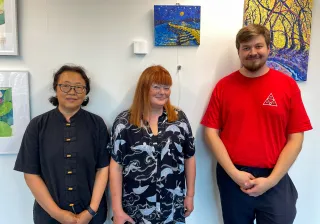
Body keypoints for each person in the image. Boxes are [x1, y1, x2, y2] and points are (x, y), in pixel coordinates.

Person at [201, 24, 312, 224]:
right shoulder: (224, 87)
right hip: (233, 177)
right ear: (239, 52)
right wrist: (234, 174)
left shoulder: (287, 86)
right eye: (246, 48)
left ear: (269, 48)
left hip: (275, 176)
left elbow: (296, 138)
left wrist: (271, 180)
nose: (253, 52)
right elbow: (210, 133)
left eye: (258, 46)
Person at [14, 65, 110, 224]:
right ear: (56, 88)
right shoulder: (37, 125)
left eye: (79, 87)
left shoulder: (97, 124)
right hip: (48, 216)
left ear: (86, 92)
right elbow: (31, 173)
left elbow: (103, 168)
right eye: (65, 86)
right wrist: (57, 214)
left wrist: (91, 211)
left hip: (91, 216)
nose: (72, 92)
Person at [109, 65, 196, 224]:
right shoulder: (124, 123)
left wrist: (190, 195)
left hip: (172, 206)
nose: (162, 92)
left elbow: (189, 157)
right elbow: (116, 167)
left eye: (166, 87)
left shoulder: (179, 120)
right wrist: (117, 210)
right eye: (156, 87)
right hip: (135, 208)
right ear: (144, 88)